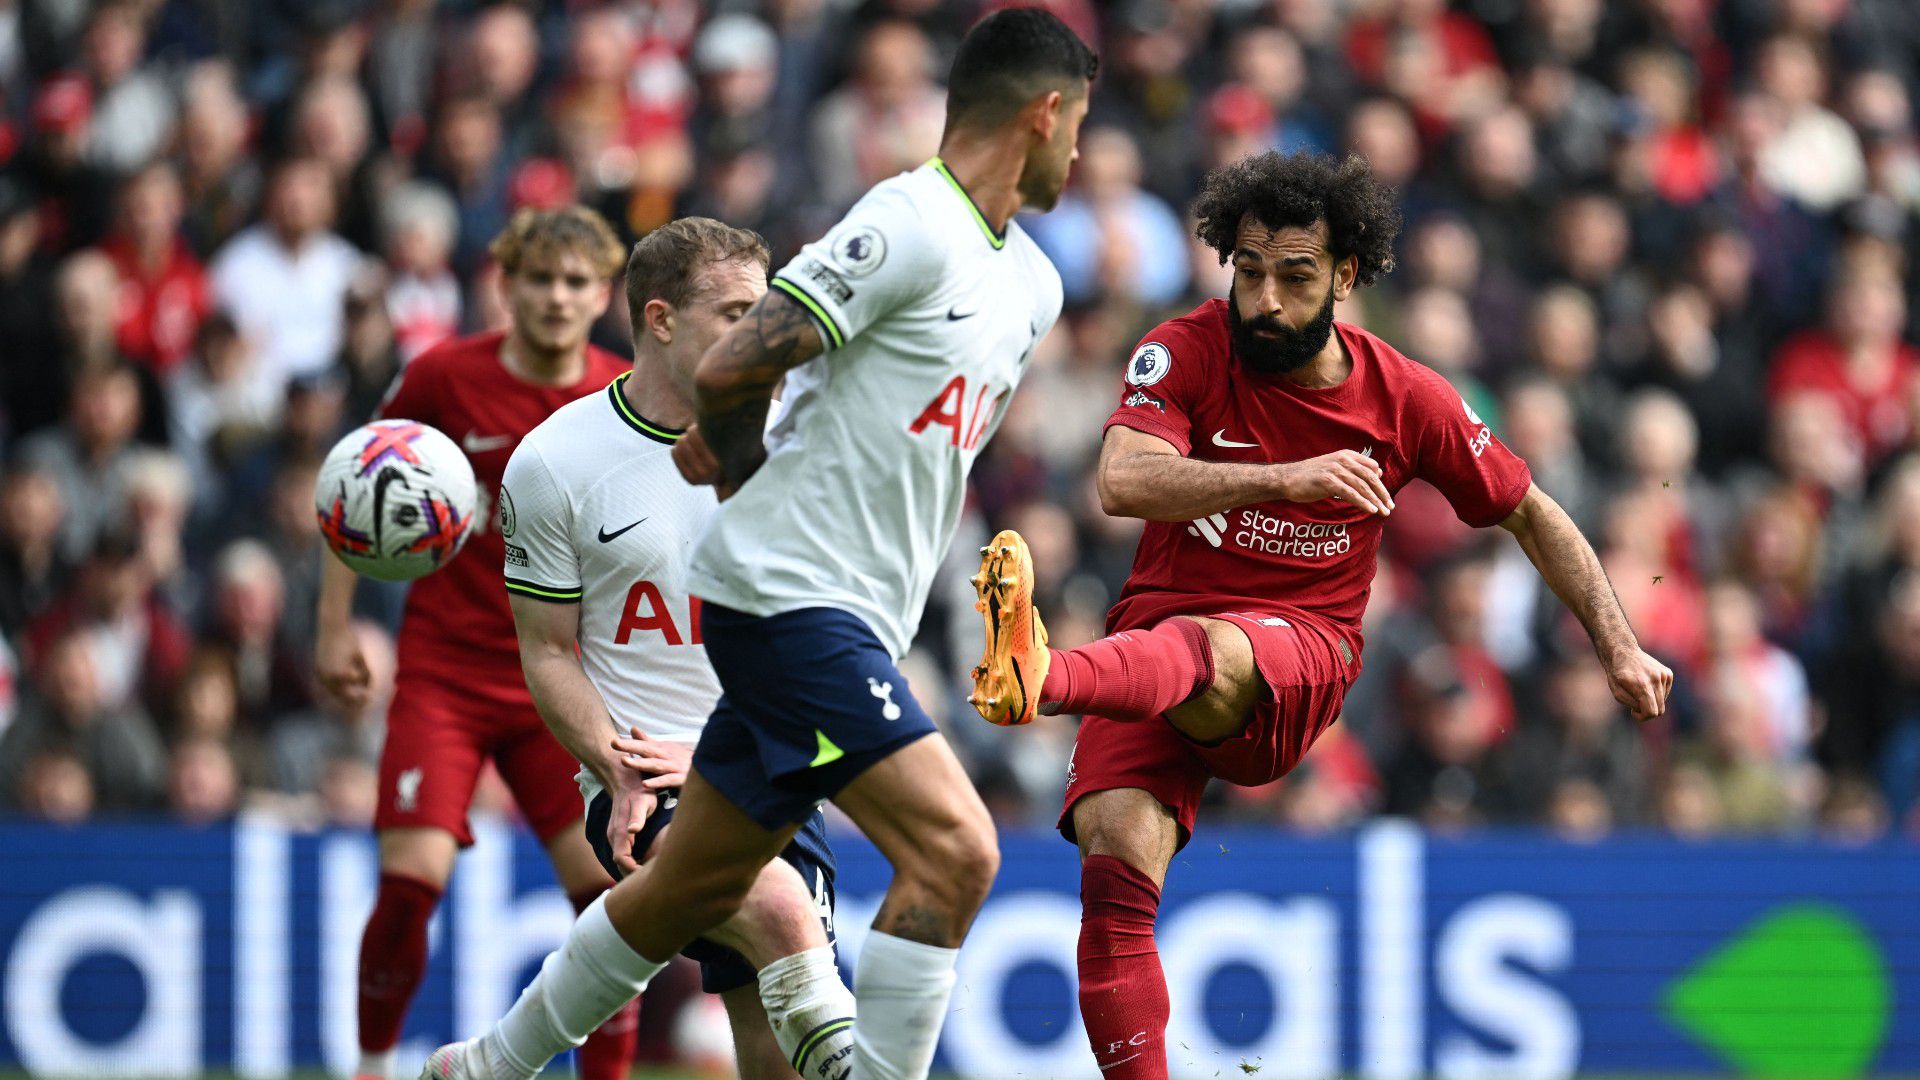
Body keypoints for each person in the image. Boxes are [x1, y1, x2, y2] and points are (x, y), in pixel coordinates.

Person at [421, 9, 1097, 1080]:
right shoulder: (909, 222)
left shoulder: (1032, 285)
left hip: (856, 610)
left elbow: (903, 454)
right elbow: (737, 370)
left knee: (688, 890)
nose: (1081, 150)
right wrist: (738, 474)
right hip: (790, 597)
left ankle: (483, 1067)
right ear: (1044, 114)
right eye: (1080, 123)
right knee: (958, 851)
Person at [966, 150, 1675, 1080]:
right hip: (1148, 647)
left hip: (1295, 659)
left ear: (1344, 275)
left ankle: (1042, 676)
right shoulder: (1183, 349)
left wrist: (1618, 646)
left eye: (1295, 277)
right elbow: (1120, 479)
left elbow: (1533, 512)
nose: (1264, 299)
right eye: (1249, 271)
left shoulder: (1406, 397)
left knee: (1208, 647)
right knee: (1113, 877)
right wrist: (1282, 476)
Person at [497, 217, 856, 1078]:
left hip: (768, 764)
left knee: (770, 1048)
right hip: (645, 778)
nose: (762, 332)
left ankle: (485, 1065)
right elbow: (547, 652)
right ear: (660, 319)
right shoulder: (555, 462)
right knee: (782, 917)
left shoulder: (799, 444)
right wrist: (616, 765)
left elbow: (830, 639)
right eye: (736, 313)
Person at [313, 206, 636, 1080]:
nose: (558, 298)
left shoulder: (624, 395)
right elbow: (354, 490)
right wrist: (336, 625)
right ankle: (373, 1066)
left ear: (604, 295)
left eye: (577, 282)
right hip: (446, 674)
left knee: (614, 903)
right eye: (541, 278)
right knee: (410, 885)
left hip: (563, 688)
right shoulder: (442, 378)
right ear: (507, 285)